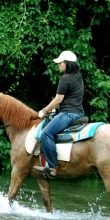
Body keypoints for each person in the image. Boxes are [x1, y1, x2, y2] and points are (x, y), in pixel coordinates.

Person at [33, 50, 84, 179]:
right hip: (79, 112)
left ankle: (52, 166)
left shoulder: (65, 78)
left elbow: (58, 100)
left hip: (68, 114)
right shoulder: (78, 77)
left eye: (60, 62)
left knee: (46, 134)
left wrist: (44, 111)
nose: (59, 65)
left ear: (67, 64)